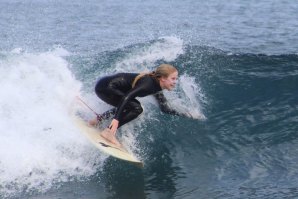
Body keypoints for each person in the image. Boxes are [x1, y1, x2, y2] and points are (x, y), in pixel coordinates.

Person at [89, 64, 190, 146]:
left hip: (107, 85)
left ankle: (97, 120)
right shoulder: (148, 84)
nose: (175, 82)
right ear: (163, 78)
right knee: (137, 108)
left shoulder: (157, 88)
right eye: (173, 79)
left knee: (131, 105)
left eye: (176, 79)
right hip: (105, 87)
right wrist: (116, 120)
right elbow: (126, 97)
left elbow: (165, 109)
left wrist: (187, 114)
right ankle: (109, 132)